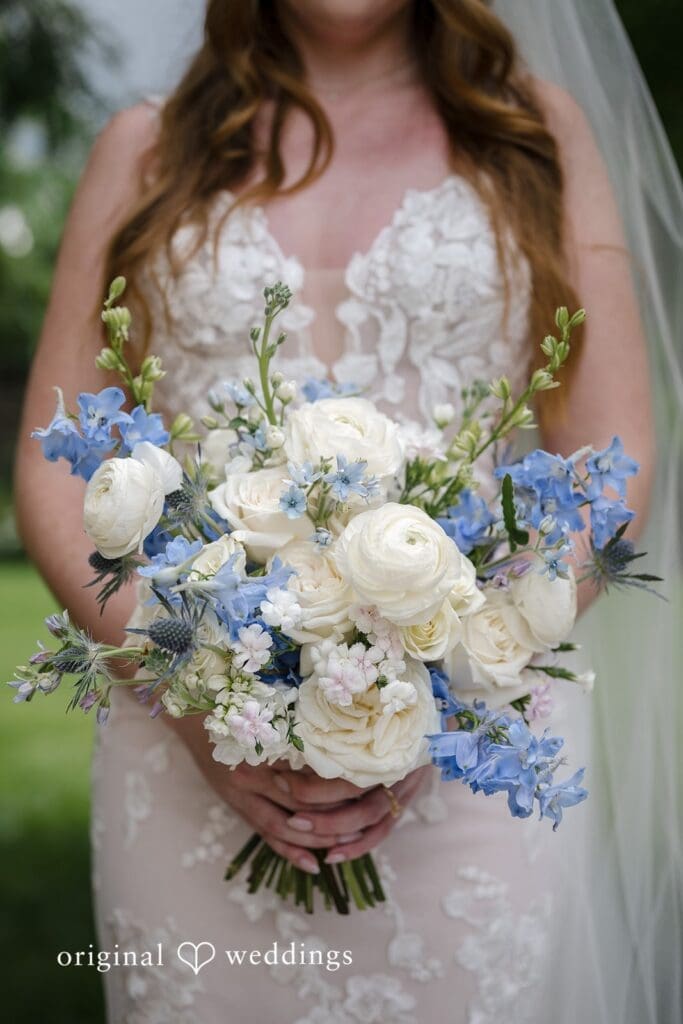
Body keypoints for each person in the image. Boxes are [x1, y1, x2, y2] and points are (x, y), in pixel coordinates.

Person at [14, 1, 675, 1021]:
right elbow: (59, 462)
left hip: (472, 776)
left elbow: (609, 459)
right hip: (184, 748)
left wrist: (437, 684)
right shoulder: (142, 151)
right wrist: (192, 694)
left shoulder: (534, 135)